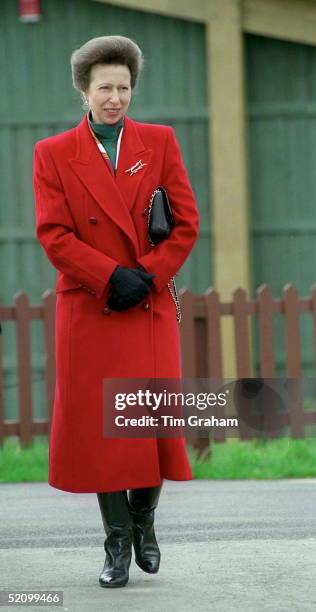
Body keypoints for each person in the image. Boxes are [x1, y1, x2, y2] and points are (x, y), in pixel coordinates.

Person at [32, 35, 199, 588]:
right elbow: (53, 234)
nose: (116, 98)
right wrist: (109, 277)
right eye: (105, 87)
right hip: (91, 305)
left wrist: (147, 275)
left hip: (148, 302)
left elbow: (186, 223)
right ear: (84, 90)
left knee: (148, 419)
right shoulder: (53, 154)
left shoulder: (160, 141)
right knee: (105, 432)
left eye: (124, 87)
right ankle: (117, 541)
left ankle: (145, 519)